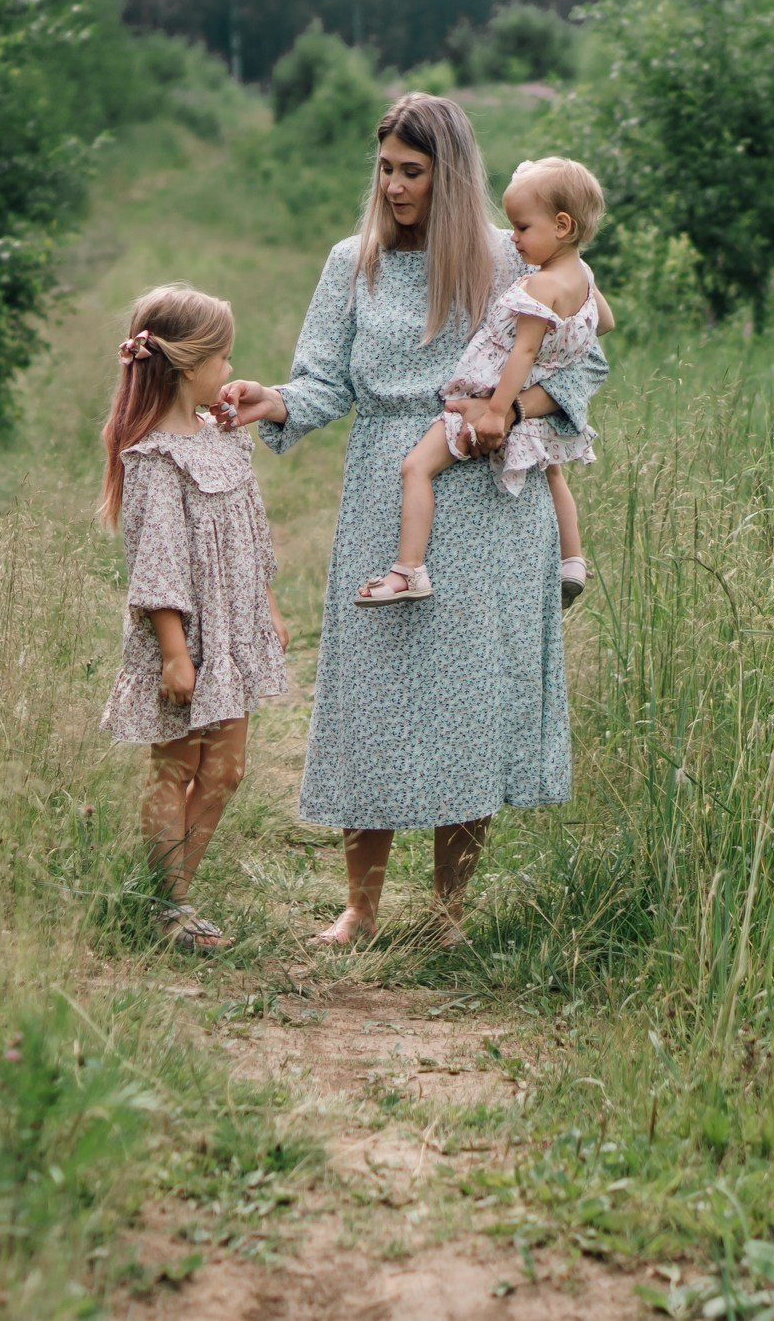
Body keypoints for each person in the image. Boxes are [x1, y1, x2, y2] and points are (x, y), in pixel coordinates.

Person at [218, 94, 607, 947]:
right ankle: (360, 908)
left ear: (451, 174)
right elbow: (323, 381)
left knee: (465, 703)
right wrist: (269, 400)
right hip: (386, 496)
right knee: (376, 695)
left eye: (413, 171)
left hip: (485, 501)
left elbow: (589, 359)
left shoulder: (513, 261)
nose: (394, 185)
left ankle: (448, 913)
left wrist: (511, 408)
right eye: (386, 167)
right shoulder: (349, 264)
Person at [98, 284, 290, 954]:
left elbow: (251, 529)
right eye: (223, 359)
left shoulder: (222, 439)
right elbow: (157, 568)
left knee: (226, 769)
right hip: (187, 640)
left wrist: (266, 606)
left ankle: (172, 893)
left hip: (233, 633)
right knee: (176, 766)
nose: (231, 371)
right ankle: (168, 905)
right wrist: (176, 653)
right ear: (186, 366)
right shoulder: (154, 459)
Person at [356, 156, 613, 610]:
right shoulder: (583, 279)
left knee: (417, 467)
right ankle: (572, 559)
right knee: (552, 471)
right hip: (541, 407)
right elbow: (603, 324)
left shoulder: (539, 288)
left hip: (491, 397)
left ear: (561, 225)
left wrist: (496, 409)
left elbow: (524, 351)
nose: (513, 238)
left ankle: (408, 569)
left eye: (521, 228)